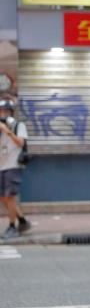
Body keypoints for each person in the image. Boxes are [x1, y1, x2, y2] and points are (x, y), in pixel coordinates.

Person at [0, 100, 30, 239]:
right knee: (4, 198)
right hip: (2, 166)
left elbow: (20, 143)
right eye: (1, 111)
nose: (3, 114)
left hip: (13, 165)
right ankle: (22, 221)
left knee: (9, 196)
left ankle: (12, 227)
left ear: (11, 112)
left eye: (5, 111)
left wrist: (8, 132)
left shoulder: (18, 125)